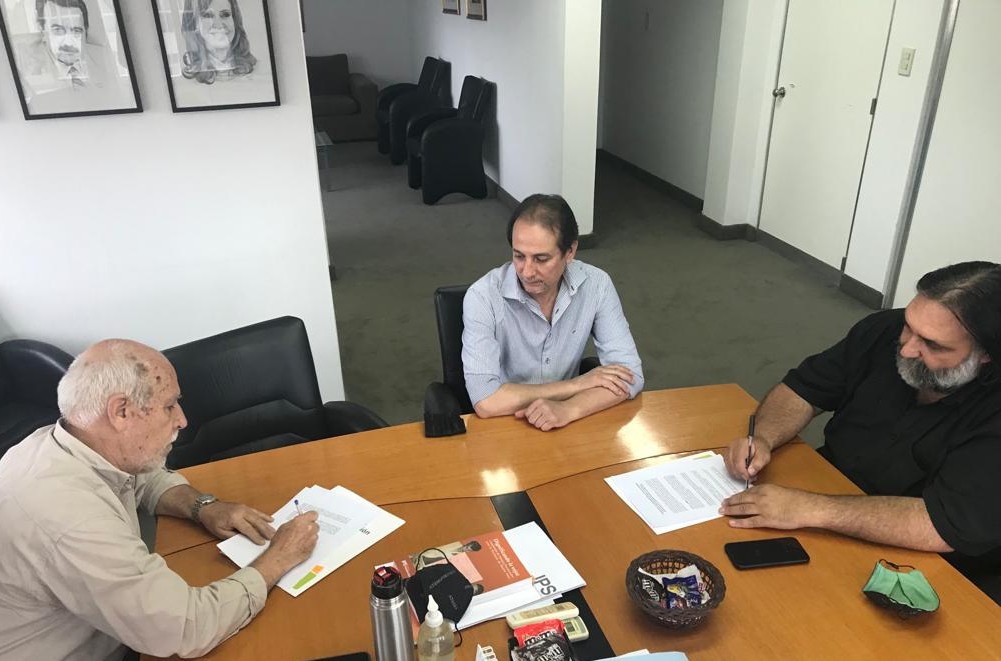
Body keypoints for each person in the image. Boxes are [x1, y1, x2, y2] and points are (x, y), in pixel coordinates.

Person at [0, 339, 320, 659]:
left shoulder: (64, 441)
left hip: (112, 627)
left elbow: (143, 476)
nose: (182, 420)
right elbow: (186, 628)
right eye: (169, 406)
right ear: (121, 412)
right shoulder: (70, 519)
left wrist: (203, 507)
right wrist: (278, 559)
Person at [719, 261, 1001, 602]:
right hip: (828, 493)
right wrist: (763, 436)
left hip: (923, 563)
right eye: (909, 326)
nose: (907, 348)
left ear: (985, 355)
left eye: (933, 345)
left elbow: (942, 526)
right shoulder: (884, 330)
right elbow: (803, 389)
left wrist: (812, 509)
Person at [462, 193, 644, 431]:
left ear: (570, 252)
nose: (527, 272)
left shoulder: (597, 285)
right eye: (519, 256)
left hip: (566, 423)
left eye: (541, 259)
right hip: (505, 423)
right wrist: (576, 385)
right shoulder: (482, 296)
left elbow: (631, 376)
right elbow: (486, 401)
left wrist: (569, 409)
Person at [12, 0, 114, 111]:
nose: (69, 42)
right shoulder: (25, 74)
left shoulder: (102, 60)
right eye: (58, 30)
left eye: (77, 31)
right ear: (42, 29)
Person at [181, 0, 257, 84]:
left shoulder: (257, 70)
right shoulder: (186, 83)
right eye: (208, 15)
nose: (218, 24)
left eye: (225, 14)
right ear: (195, 25)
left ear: (235, 21)